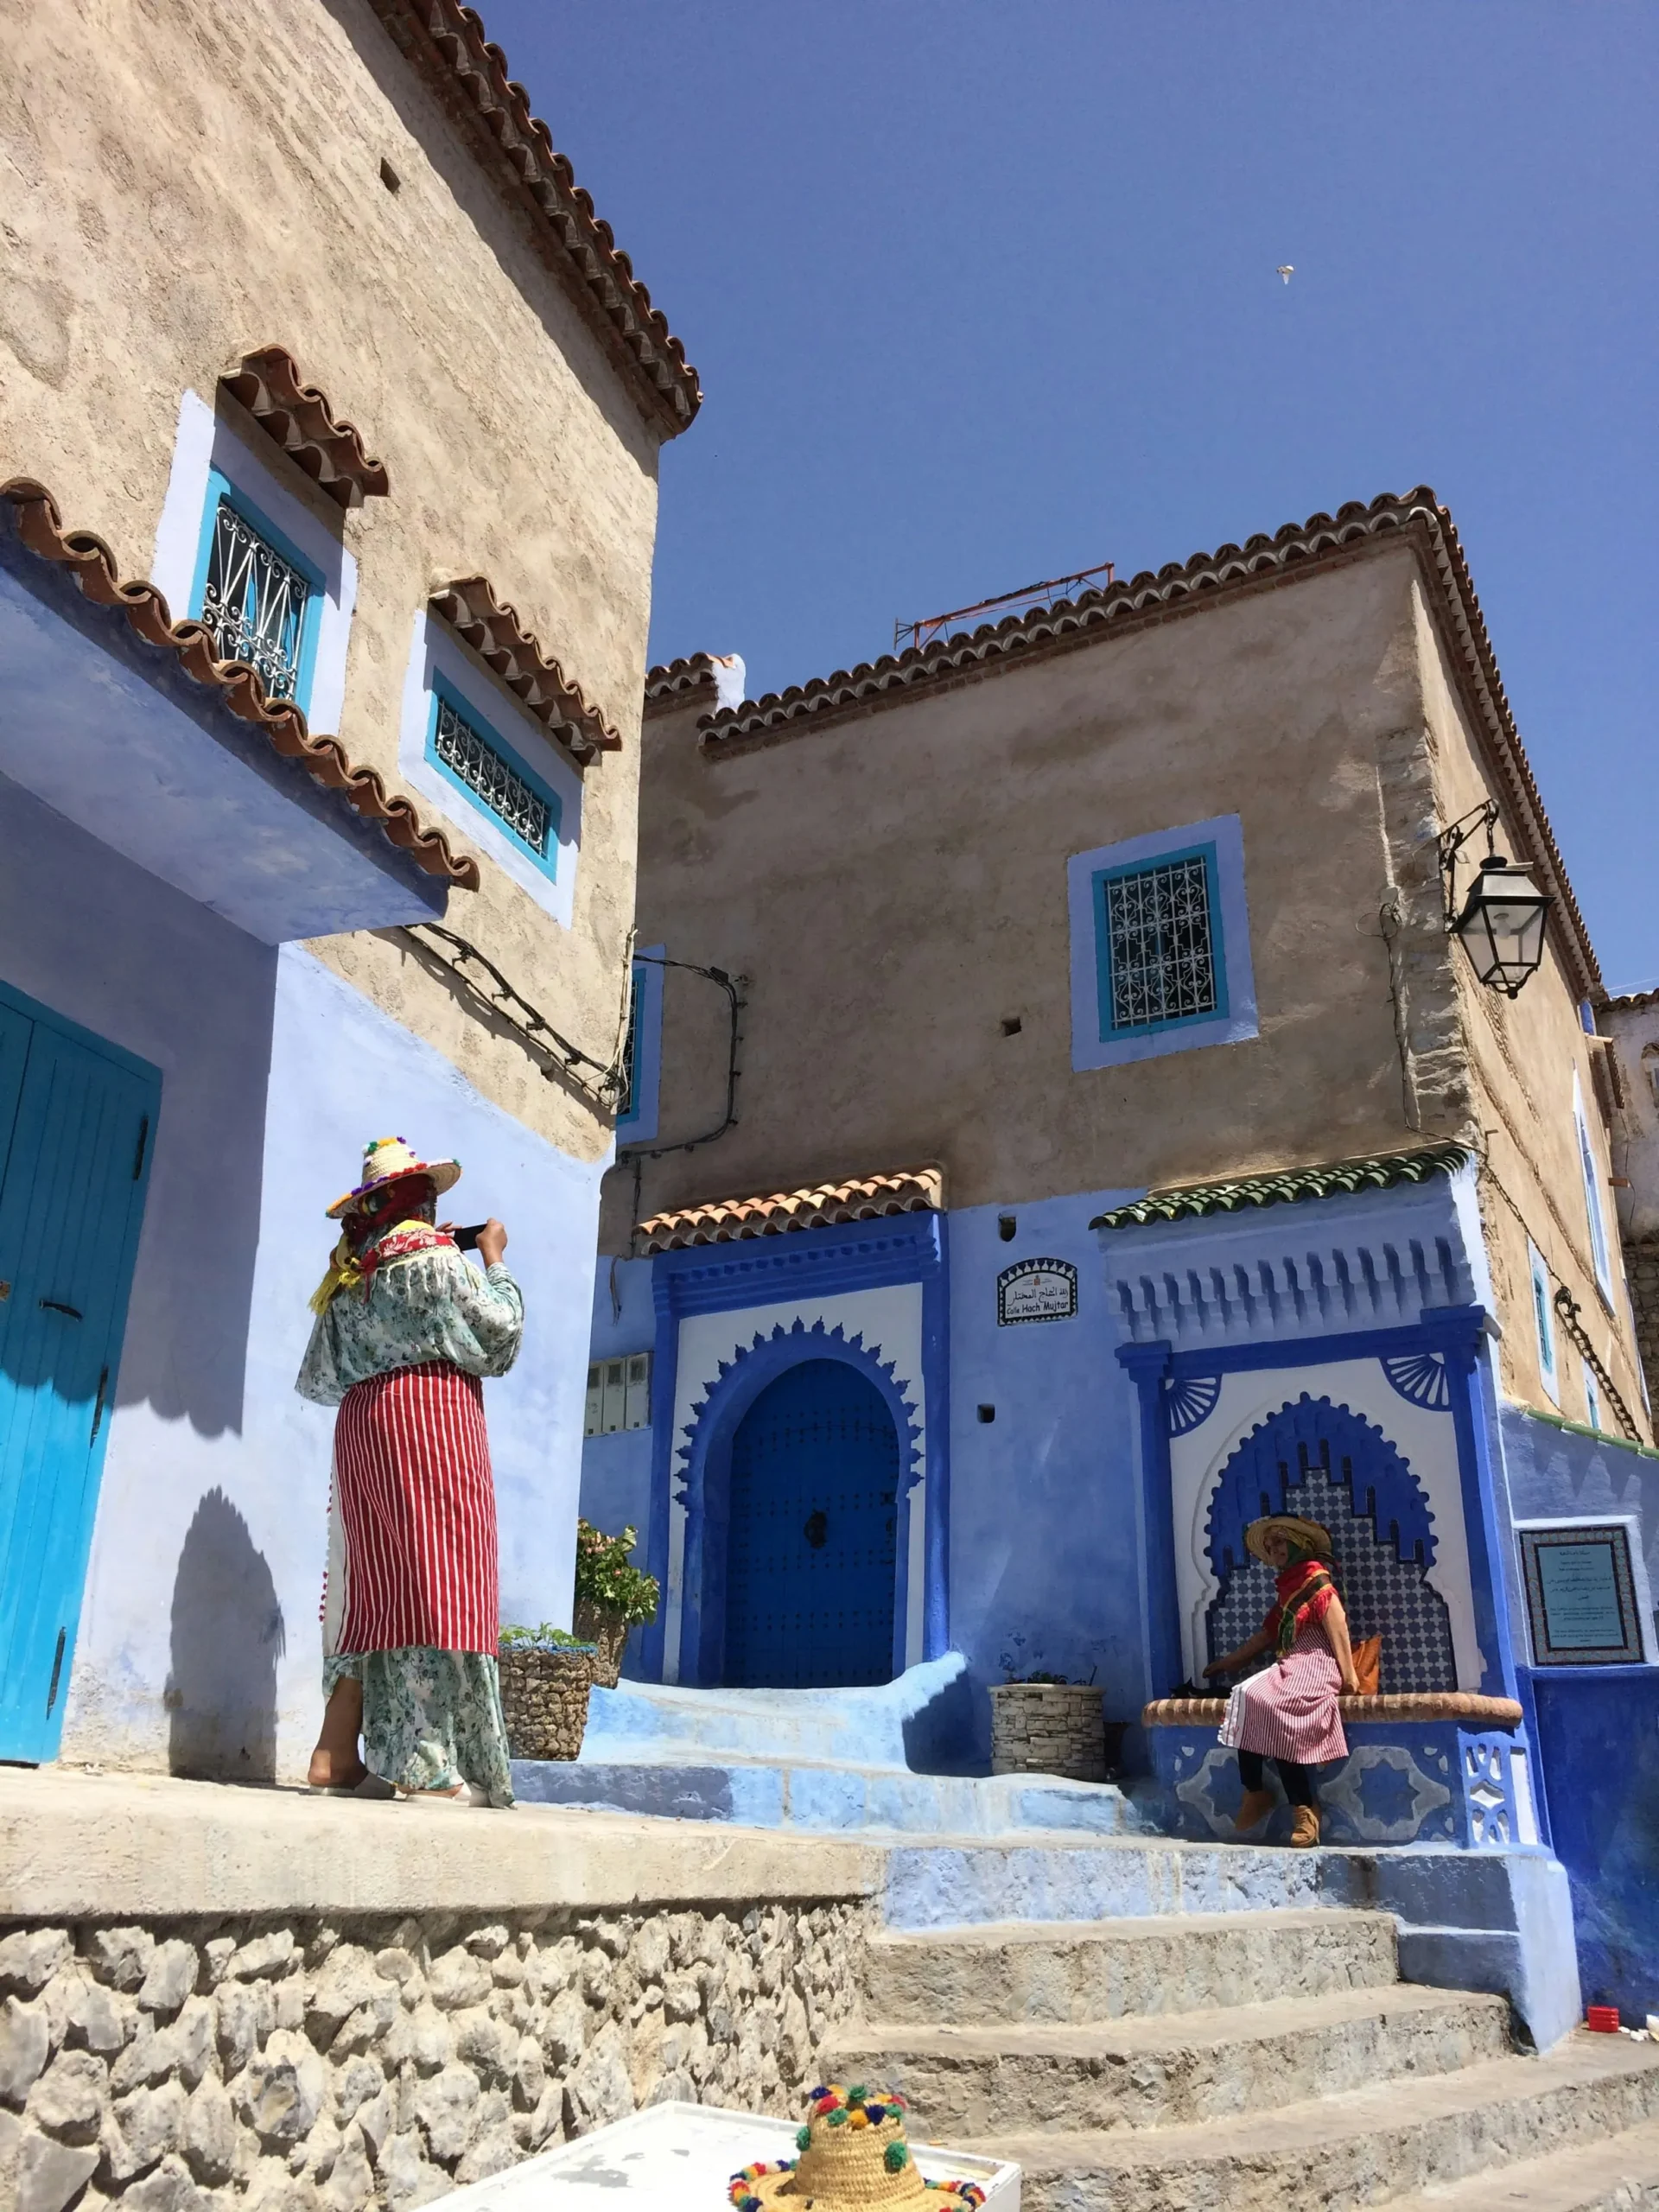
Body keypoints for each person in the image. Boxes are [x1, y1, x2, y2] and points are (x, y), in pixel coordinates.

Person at [296, 1136, 523, 1806]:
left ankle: (335, 1755)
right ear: (417, 1200)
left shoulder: (349, 1275)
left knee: (373, 1590)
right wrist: (496, 1260)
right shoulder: (432, 1260)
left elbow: (324, 1375)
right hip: (430, 1420)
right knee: (439, 1586)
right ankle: (429, 1768)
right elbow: (499, 1335)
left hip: (363, 1427)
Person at [1202, 1512, 1360, 1847]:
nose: (1273, 1548)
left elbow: (1338, 1627)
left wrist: (1349, 1677)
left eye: (1279, 1541)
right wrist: (1228, 1663)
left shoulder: (1317, 1581)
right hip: (1290, 1664)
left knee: (1278, 1706)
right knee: (1245, 1695)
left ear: (1298, 1543)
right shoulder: (1288, 1592)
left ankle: (1305, 1808)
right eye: (1270, 1544)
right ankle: (1255, 1791)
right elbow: (1265, 1636)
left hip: (1316, 1665)